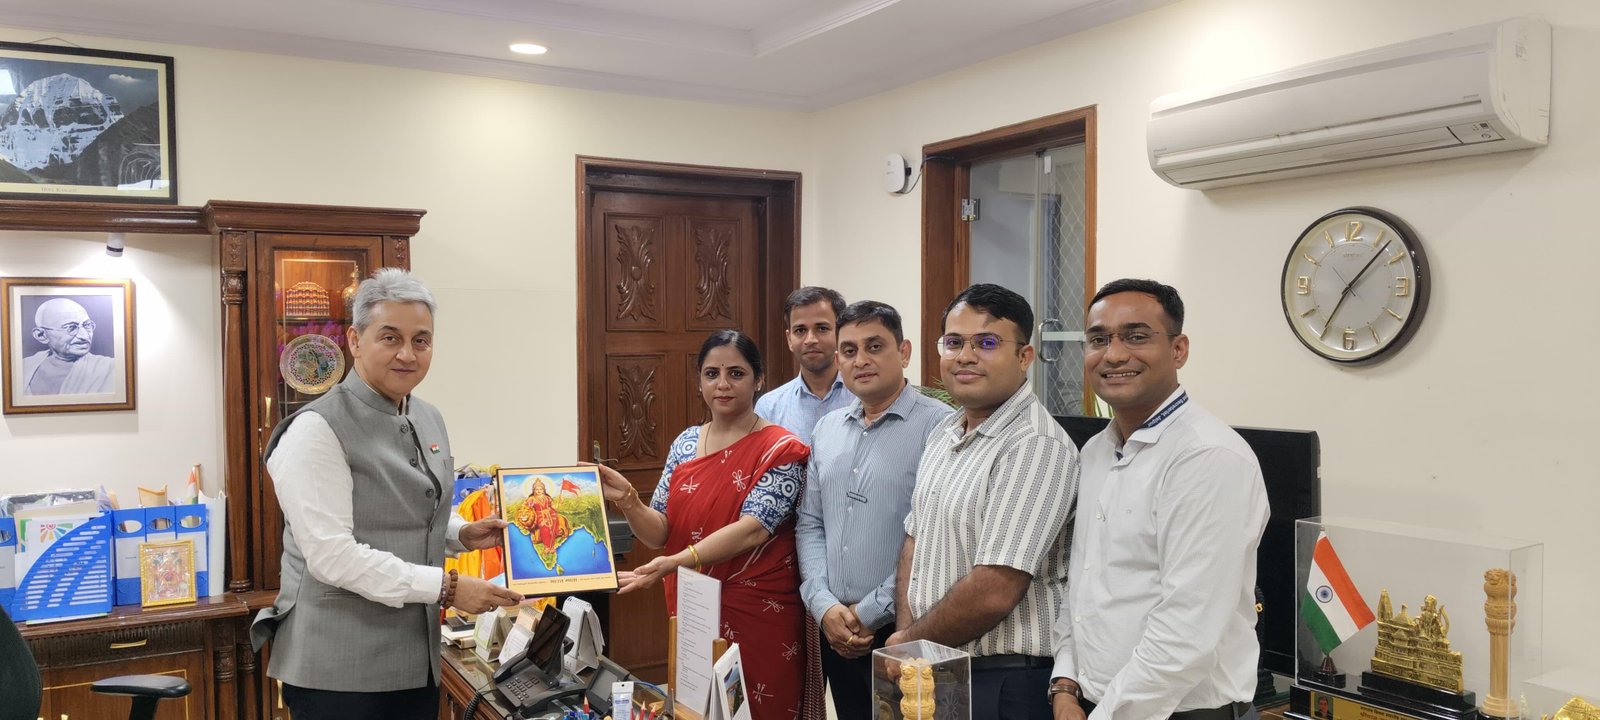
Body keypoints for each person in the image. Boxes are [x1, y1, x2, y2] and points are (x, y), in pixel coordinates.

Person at [251, 269, 523, 720]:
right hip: (338, 675)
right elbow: (332, 556)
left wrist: (460, 534)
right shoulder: (316, 429)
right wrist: (448, 588)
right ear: (355, 341)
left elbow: (400, 512)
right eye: (390, 337)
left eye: (421, 340)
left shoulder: (427, 417)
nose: (407, 354)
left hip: (414, 664)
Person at [1049, 279, 1268, 720]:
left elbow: (1185, 633)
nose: (1113, 355)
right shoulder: (1095, 452)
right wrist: (1065, 684)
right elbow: (1082, 585)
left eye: (1135, 336)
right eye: (1098, 340)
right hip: (1094, 704)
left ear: (1178, 350)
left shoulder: (1207, 457)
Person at [597, 330, 819, 720]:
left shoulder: (781, 448)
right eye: (711, 373)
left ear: (759, 379)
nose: (723, 384)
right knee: (695, 708)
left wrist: (676, 561)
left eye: (736, 373)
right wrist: (628, 500)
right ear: (699, 380)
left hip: (759, 611)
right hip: (695, 605)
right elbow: (659, 532)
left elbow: (754, 528)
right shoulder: (685, 444)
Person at [891, 283, 1079, 720]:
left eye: (987, 343)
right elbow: (916, 539)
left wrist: (910, 642)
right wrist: (907, 638)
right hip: (935, 663)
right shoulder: (946, 431)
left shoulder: (1034, 444)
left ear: (1024, 356)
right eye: (954, 342)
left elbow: (995, 589)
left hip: (1005, 682)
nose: (965, 356)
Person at [797, 300, 952, 719]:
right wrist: (823, 603)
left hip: (903, 627)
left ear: (904, 351)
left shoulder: (941, 426)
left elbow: (935, 536)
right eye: (849, 351)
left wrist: (869, 612)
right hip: (835, 626)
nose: (861, 360)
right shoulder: (827, 429)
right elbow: (810, 523)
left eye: (875, 346)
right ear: (838, 360)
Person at [755, 287, 853, 444]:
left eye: (822, 328)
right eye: (800, 330)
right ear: (789, 339)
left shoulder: (864, 399)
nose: (810, 339)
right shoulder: (769, 408)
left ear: (840, 333)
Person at [21, 297, 115, 395]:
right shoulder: (24, 367)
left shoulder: (110, 368)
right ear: (41, 335)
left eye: (87, 325)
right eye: (71, 327)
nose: (85, 336)